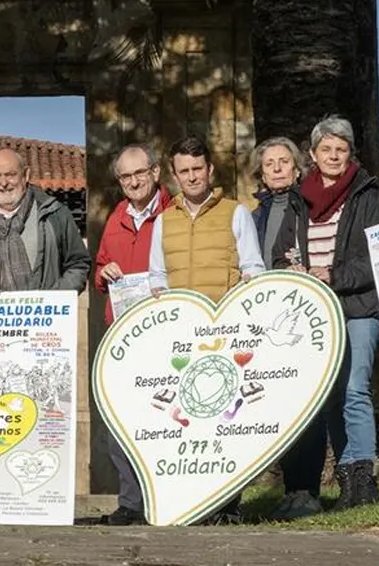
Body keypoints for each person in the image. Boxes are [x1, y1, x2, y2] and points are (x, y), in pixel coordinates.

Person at [271, 116, 379, 509]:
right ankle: (347, 485)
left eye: (341, 149)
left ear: (349, 153)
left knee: (356, 389)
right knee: (333, 396)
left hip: (358, 307)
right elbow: (282, 250)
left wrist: (332, 274)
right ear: (313, 154)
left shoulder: (368, 193)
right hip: (317, 313)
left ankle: (364, 482)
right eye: (326, 149)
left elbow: (377, 256)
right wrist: (290, 269)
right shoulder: (298, 199)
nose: (334, 155)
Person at [147, 135, 264, 524]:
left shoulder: (236, 213)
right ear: (174, 176)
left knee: (228, 422)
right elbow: (157, 278)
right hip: (182, 340)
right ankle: (194, 503)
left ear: (210, 171)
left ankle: (228, 505)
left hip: (226, 336)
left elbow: (253, 270)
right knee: (187, 422)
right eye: (185, 171)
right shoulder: (163, 221)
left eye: (198, 169)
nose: (192, 176)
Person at [92, 143, 171, 526]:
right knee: (119, 418)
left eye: (140, 173)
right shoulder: (116, 218)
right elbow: (101, 267)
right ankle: (131, 502)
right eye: (126, 176)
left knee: (166, 417)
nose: (134, 181)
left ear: (156, 172)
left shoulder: (174, 213)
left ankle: (167, 498)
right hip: (122, 335)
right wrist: (104, 273)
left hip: (166, 334)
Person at [249, 136, 325, 520]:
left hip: (301, 313)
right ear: (260, 172)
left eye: (284, 161)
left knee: (307, 407)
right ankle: (290, 490)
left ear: (297, 168)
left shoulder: (309, 206)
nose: (277, 168)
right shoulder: (254, 213)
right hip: (267, 319)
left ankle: (307, 490)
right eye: (269, 163)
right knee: (280, 408)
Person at [0, 148, 90, 293]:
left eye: (11, 175)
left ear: (25, 175)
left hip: (42, 314)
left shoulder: (54, 215)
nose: (3, 183)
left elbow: (78, 265)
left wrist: (53, 298)